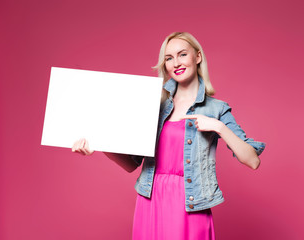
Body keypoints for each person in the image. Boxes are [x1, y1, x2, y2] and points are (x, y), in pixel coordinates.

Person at [72, 32, 266, 240]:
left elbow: (252, 160)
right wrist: (101, 145)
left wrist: (218, 126)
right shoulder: (154, 107)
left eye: (182, 54)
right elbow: (132, 164)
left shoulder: (216, 109)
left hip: (190, 203)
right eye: (169, 58)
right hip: (150, 200)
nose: (176, 63)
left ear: (197, 56)